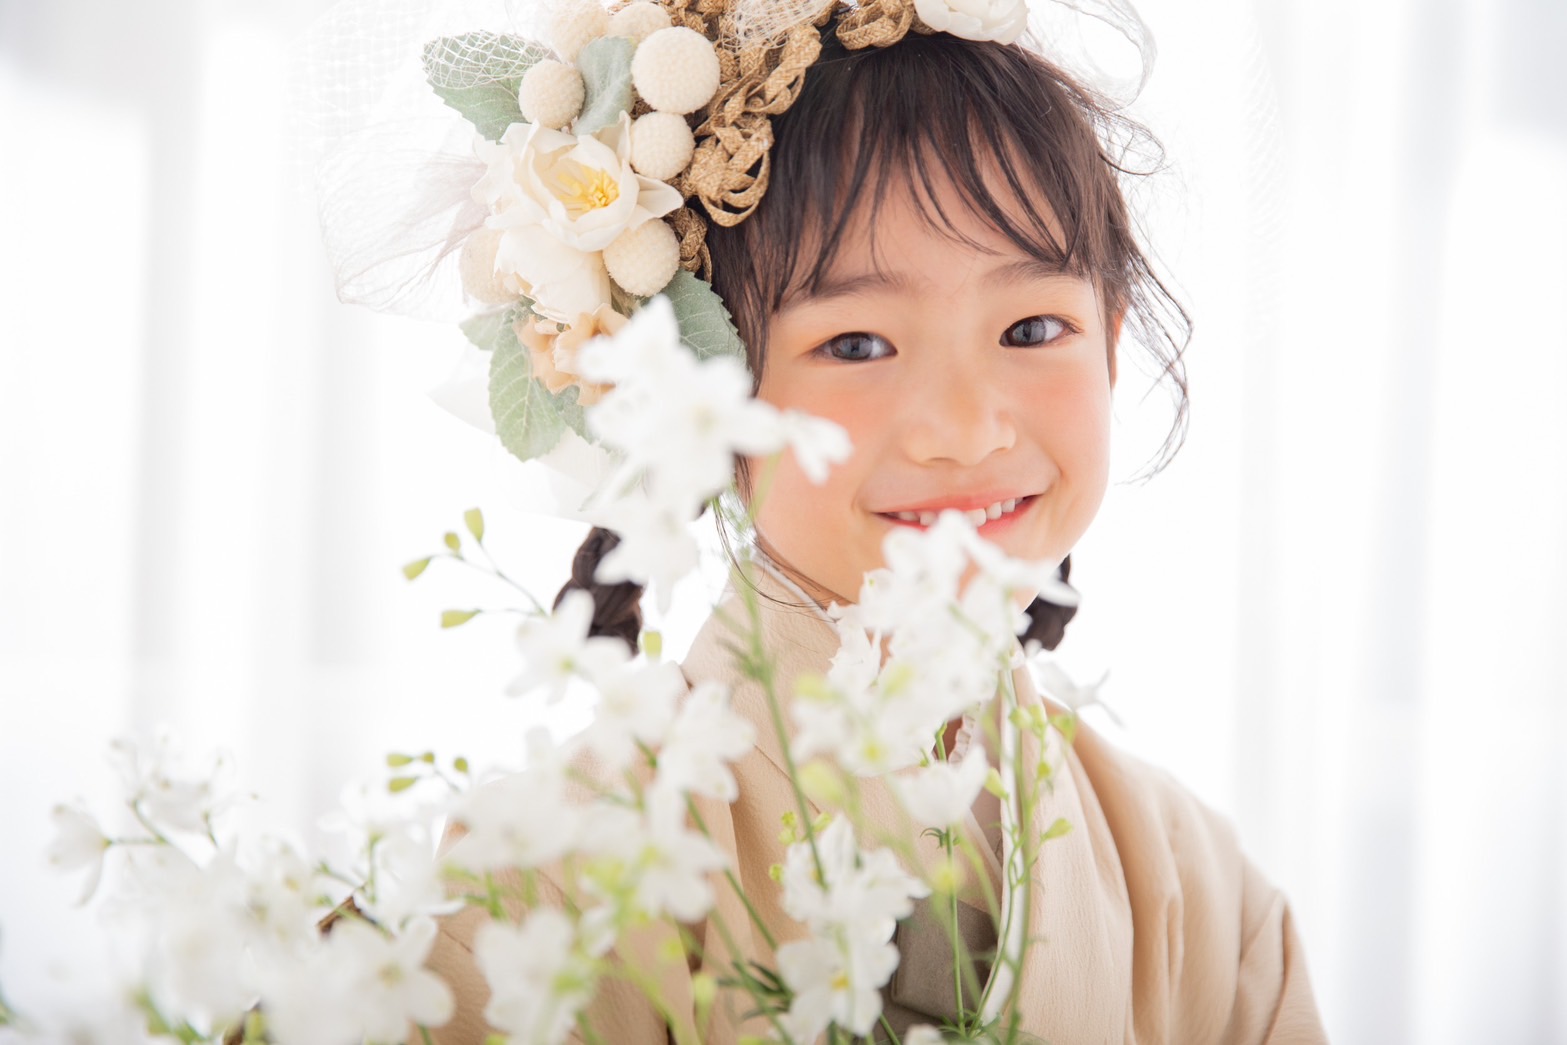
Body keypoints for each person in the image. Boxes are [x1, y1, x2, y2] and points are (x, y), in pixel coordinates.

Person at [407, 4, 1329, 1042]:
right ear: (702, 393)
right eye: (855, 344)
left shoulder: (1205, 899)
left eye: (1032, 327)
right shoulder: (551, 874)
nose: (963, 427)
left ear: (1110, 350)